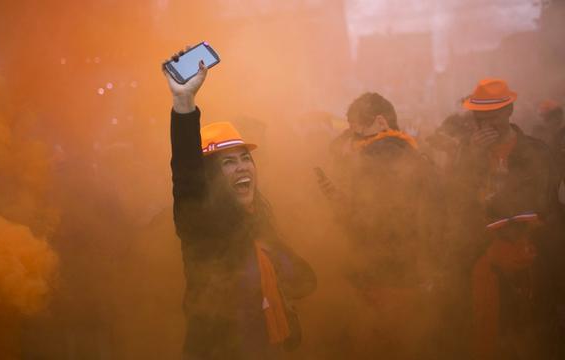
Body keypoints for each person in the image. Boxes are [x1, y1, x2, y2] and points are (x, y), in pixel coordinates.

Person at [163, 49, 316, 359]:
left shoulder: (258, 223)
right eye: (228, 163)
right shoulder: (202, 226)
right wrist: (183, 103)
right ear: (212, 178)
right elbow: (187, 177)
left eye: (246, 158)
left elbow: (304, 281)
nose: (243, 167)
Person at [320, 92, 443, 359]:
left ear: (380, 121)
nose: (353, 140)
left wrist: (339, 204)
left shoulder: (379, 152)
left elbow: (371, 221)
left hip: (383, 276)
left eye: (356, 131)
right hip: (413, 275)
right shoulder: (415, 154)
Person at [450, 78, 562, 359]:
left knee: (532, 335)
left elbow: (542, 205)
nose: (485, 123)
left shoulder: (537, 151)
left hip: (533, 261)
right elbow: (457, 201)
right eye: (480, 117)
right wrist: (472, 158)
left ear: (509, 112)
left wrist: (497, 192)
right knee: (491, 336)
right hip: (485, 260)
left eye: (494, 115)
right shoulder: (469, 152)